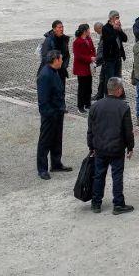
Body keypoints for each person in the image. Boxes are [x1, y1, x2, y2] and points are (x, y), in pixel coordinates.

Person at [87, 77, 135, 214]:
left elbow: (90, 130)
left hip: (100, 148)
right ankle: (118, 204)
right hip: (117, 148)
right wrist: (130, 147)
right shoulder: (123, 107)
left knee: (99, 175)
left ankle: (96, 203)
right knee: (117, 176)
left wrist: (91, 147)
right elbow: (128, 131)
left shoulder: (95, 106)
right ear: (119, 90)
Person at [36, 50, 70, 180]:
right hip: (50, 115)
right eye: (60, 59)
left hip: (58, 112)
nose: (62, 61)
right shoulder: (45, 75)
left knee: (57, 139)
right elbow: (43, 100)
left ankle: (56, 163)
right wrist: (51, 113)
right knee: (45, 142)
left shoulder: (54, 71)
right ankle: (42, 169)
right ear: (55, 60)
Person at [98, 11, 127, 99]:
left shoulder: (118, 27)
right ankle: (108, 96)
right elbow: (109, 41)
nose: (118, 19)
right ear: (111, 19)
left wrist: (120, 30)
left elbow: (125, 39)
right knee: (110, 78)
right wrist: (114, 29)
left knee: (118, 77)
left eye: (118, 17)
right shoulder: (105, 28)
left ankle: (120, 95)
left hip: (117, 57)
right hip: (109, 58)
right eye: (116, 18)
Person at [72, 23, 96, 113]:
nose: (90, 31)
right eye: (89, 30)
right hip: (81, 68)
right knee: (82, 87)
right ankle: (80, 106)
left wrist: (93, 56)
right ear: (85, 31)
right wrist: (90, 58)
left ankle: (88, 103)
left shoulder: (89, 39)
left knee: (88, 86)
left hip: (88, 67)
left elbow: (93, 49)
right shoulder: (77, 42)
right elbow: (78, 56)